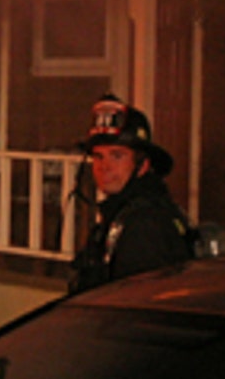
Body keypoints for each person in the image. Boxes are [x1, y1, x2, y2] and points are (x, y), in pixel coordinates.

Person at [69, 93, 191, 295]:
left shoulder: (145, 225)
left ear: (142, 165)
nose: (104, 167)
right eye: (98, 157)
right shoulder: (121, 214)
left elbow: (137, 305)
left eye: (117, 156)